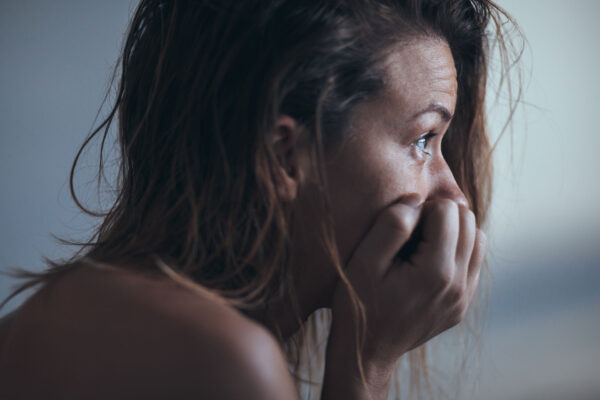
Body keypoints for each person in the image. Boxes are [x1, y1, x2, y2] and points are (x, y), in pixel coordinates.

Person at [0, 0, 518, 398]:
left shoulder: (62, 309)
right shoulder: (223, 362)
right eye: (423, 140)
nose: (454, 194)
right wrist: (365, 364)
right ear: (284, 153)